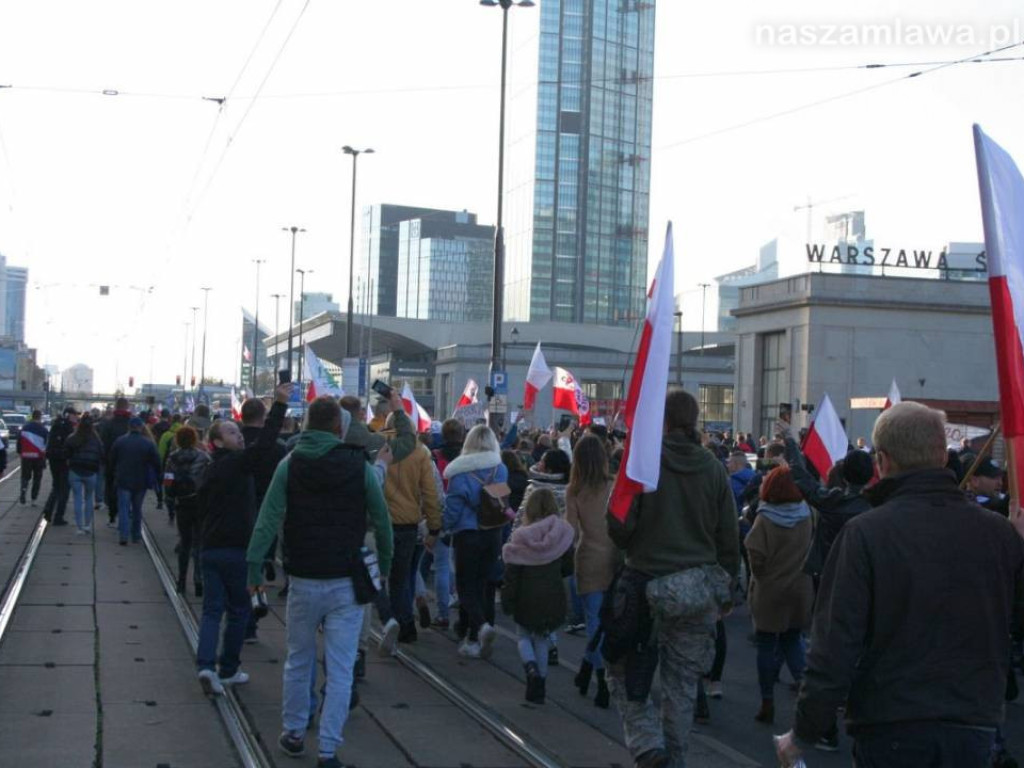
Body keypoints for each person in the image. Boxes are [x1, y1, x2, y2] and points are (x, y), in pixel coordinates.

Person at [775, 401, 1024, 768]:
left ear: (883, 461)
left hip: (892, 726)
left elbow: (834, 646)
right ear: (942, 456)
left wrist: (803, 733)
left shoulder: (865, 534)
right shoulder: (997, 533)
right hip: (973, 726)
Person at [246, 395, 392, 768]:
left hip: (304, 578)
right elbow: (382, 520)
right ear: (339, 428)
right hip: (346, 581)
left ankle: (294, 733)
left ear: (307, 424)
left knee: (298, 659)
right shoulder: (358, 466)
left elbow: (266, 520)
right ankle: (328, 749)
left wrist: (254, 571)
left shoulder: (289, 464)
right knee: (341, 669)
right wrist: (386, 566)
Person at [606, 389, 740, 768]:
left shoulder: (644, 463)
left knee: (624, 674)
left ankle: (648, 746)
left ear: (661, 421)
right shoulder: (714, 469)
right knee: (681, 688)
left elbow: (619, 528)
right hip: (696, 592)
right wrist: (725, 589)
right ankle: (675, 759)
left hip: (644, 585)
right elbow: (729, 537)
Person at [194, 382, 288, 696]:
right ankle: (229, 669)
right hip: (236, 549)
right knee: (237, 610)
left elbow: (201, 508)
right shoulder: (237, 463)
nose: (239, 436)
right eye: (232, 433)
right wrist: (279, 405)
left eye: (238, 430)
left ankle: (206, 665)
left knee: (210, 611)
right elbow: (264, 445)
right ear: (218, 442)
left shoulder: (210, 469)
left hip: (211, 548)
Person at [744, 466, 813, 726]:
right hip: (800, 588)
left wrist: (760, 575)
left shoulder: (765, 518)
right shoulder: (808, 514)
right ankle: (810, 700)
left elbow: (756, 556)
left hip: (770, 590)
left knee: (765, 645)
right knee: (793, 643)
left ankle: (767, 702)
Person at [501, 487, 575, 704]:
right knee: (542, 638)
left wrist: (508, 600)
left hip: (526, 595)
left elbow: (512, 575)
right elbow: (568, 567)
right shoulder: (562, 533)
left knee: (523, 636)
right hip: (552, 593)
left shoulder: (521, 537)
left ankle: (530, 668)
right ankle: (540, 685)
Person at [442, 424, 508, 658]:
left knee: (465, 586)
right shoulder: (500, 469)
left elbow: (453, 508)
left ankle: (480, 626)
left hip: (467, 534)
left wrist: (443, 528)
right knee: (484, 583)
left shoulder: (460, 472)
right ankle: (475, 638)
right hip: (492, 532)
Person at [382, 406, 441, 644]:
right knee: (401, 576)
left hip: (380, 521)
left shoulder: (380, 446)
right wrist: (434, 526)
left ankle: (391, 620)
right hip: (407, 523)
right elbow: (430, 492)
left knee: (376, 576)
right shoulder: (420, 452)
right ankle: (405, 623)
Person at [565, 434, 616, 708]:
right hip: (615, 559)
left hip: (587, 559)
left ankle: (599, 676)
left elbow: (570, 530)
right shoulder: (615, 485)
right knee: (606, 624)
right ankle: (588, 669)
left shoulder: (574, 490)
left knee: (594, 622)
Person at [239, 396, 289, 643]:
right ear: (263, 416)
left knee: (239, 565)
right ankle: (250, 621)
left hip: (236, 511)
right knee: (255, 565)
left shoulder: (235, 443)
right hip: (267, 512)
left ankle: (241, 617)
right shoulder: (278, 448)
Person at [165, 427, 211, 595]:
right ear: (194, 439)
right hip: (199, 503)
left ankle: (181, 581)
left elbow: (168, 480)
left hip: (182, 503)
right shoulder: (203, 457)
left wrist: (170, 498)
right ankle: (199, 580)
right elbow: (208, 481)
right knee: (199, 543)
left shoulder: (172, 458)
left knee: (185, 542)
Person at [109, 417, 161, 545]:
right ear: (141, 427)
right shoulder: (148, 443)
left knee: (124, 508)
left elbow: (111, 460)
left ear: (129, 427)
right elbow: (157, 463)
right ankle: (136, 535)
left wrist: (113, 474)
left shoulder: (120, 441)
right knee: (137, 509)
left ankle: (123, 535)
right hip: (141, 481)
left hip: (123, 480)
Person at [65, 414, 105, 535]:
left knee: (77, 498)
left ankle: (79, 526)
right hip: (91, 472)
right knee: (89, 498)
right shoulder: (96, 440)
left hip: (75, 471)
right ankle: (87, 525)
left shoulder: (72, 438)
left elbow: (66, 453)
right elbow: (102, 455)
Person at [42, 406, 78, 526]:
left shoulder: (56, 424)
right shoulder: (68, 428)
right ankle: (58, 516)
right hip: (64, 460)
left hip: (53, 459)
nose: (76, 417)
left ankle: (48, 509)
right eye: (74, 415)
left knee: (56, 485)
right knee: (64, 489)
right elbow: (72, 446)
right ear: (69, 415)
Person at [100, 397, 132, 527]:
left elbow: (103, 444)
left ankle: (112, 516)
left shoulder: (108, 424)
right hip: (129, 462)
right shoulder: (131, 423)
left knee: (111, 489)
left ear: (115, 407)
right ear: (127, 407)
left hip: (112, 462)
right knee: (128, 489)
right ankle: (125, 513)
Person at [18, 409, 48, 506]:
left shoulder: (25, 428)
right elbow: (46, 444)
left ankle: (23, 491)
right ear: (40, 417)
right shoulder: (43, 430)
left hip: (26, 456)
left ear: (32, 416)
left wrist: (20, 452)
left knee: (25, 477)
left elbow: (19, 442)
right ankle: (33, 499)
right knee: (37, 478)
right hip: (38, 457)